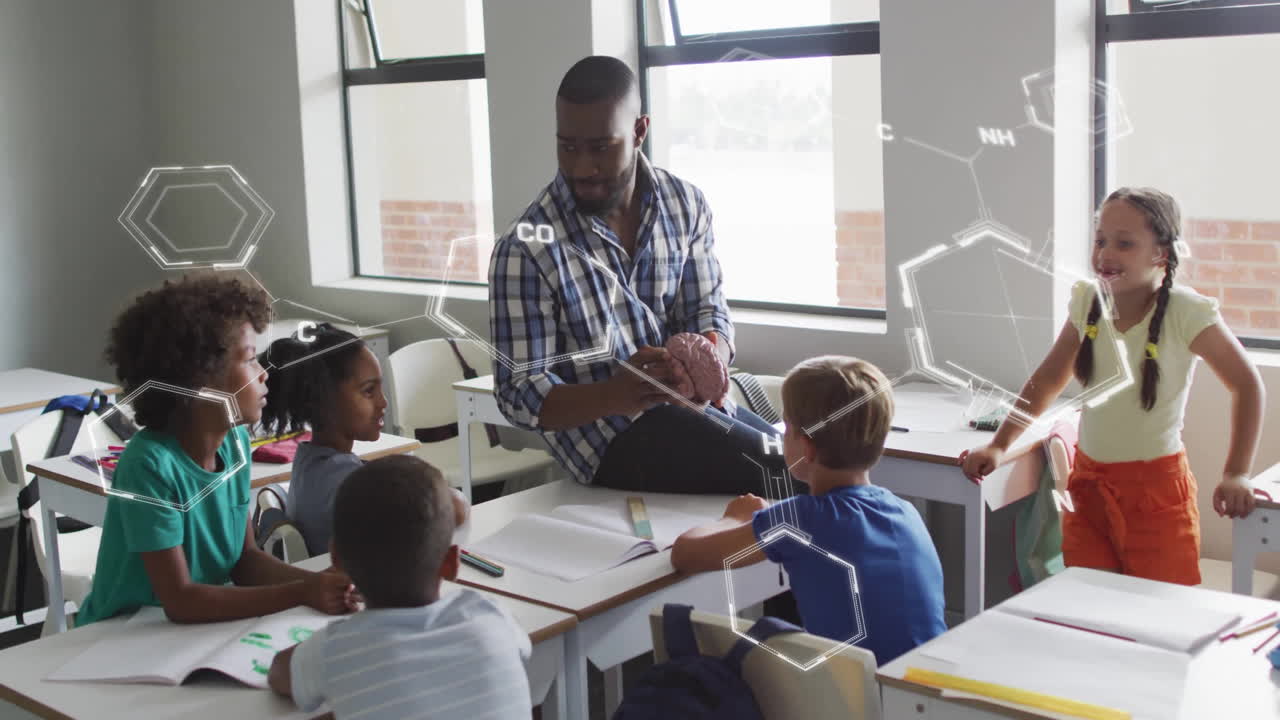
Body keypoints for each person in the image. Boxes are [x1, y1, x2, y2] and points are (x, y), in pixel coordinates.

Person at [489, 54, 787, 496]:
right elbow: (518, 393)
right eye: (567, 146)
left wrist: (709, 357)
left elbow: (707, 310)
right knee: (785, 474)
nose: (581, 168)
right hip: (608, 439)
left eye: (600, 147)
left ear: (639, 132)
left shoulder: (684, 204)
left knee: (811, 467)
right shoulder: (526, 249)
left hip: (699, 409)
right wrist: (620, 392)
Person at [962, 187, 1266, 585]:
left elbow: (1247, 385)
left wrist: (1237, 473)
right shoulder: (1088, 299)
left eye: (1124, 244)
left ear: (1161, 253)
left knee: (1160, 611)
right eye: (1100, 240)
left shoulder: (1185, 311)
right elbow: (1050, 378)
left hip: (1156, 494)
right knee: (1091, 602)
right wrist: (1000, 444)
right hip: (1088, 489)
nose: (1105, 253)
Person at [76, 274, 357, 626]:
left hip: (189, 631)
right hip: (118, 637)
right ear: (199, 379)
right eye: (250, 359)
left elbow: (244, 562)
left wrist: (317, 582)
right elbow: (181, 600)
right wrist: (302, 592)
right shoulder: (148, 465)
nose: (263, 373)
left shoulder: (235, 442)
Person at [671, 356, 947, 665]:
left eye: (786, 427)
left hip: (863, 702)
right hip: (923, 693)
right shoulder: (906, 512)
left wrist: (734, 519)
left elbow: (685, 553)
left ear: (807, 447)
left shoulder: (799, 520)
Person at [269, 455, 531, 719]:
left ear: (336, 559)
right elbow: (524, 648)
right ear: (452, 563)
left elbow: (279, 672)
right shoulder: (490, 615)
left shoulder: (335, 649)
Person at [259, 323, 467, 556]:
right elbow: (457, 507)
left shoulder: (309, 461)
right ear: (322, 400)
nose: (383, 403)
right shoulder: (347, 484)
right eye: (369, 391)